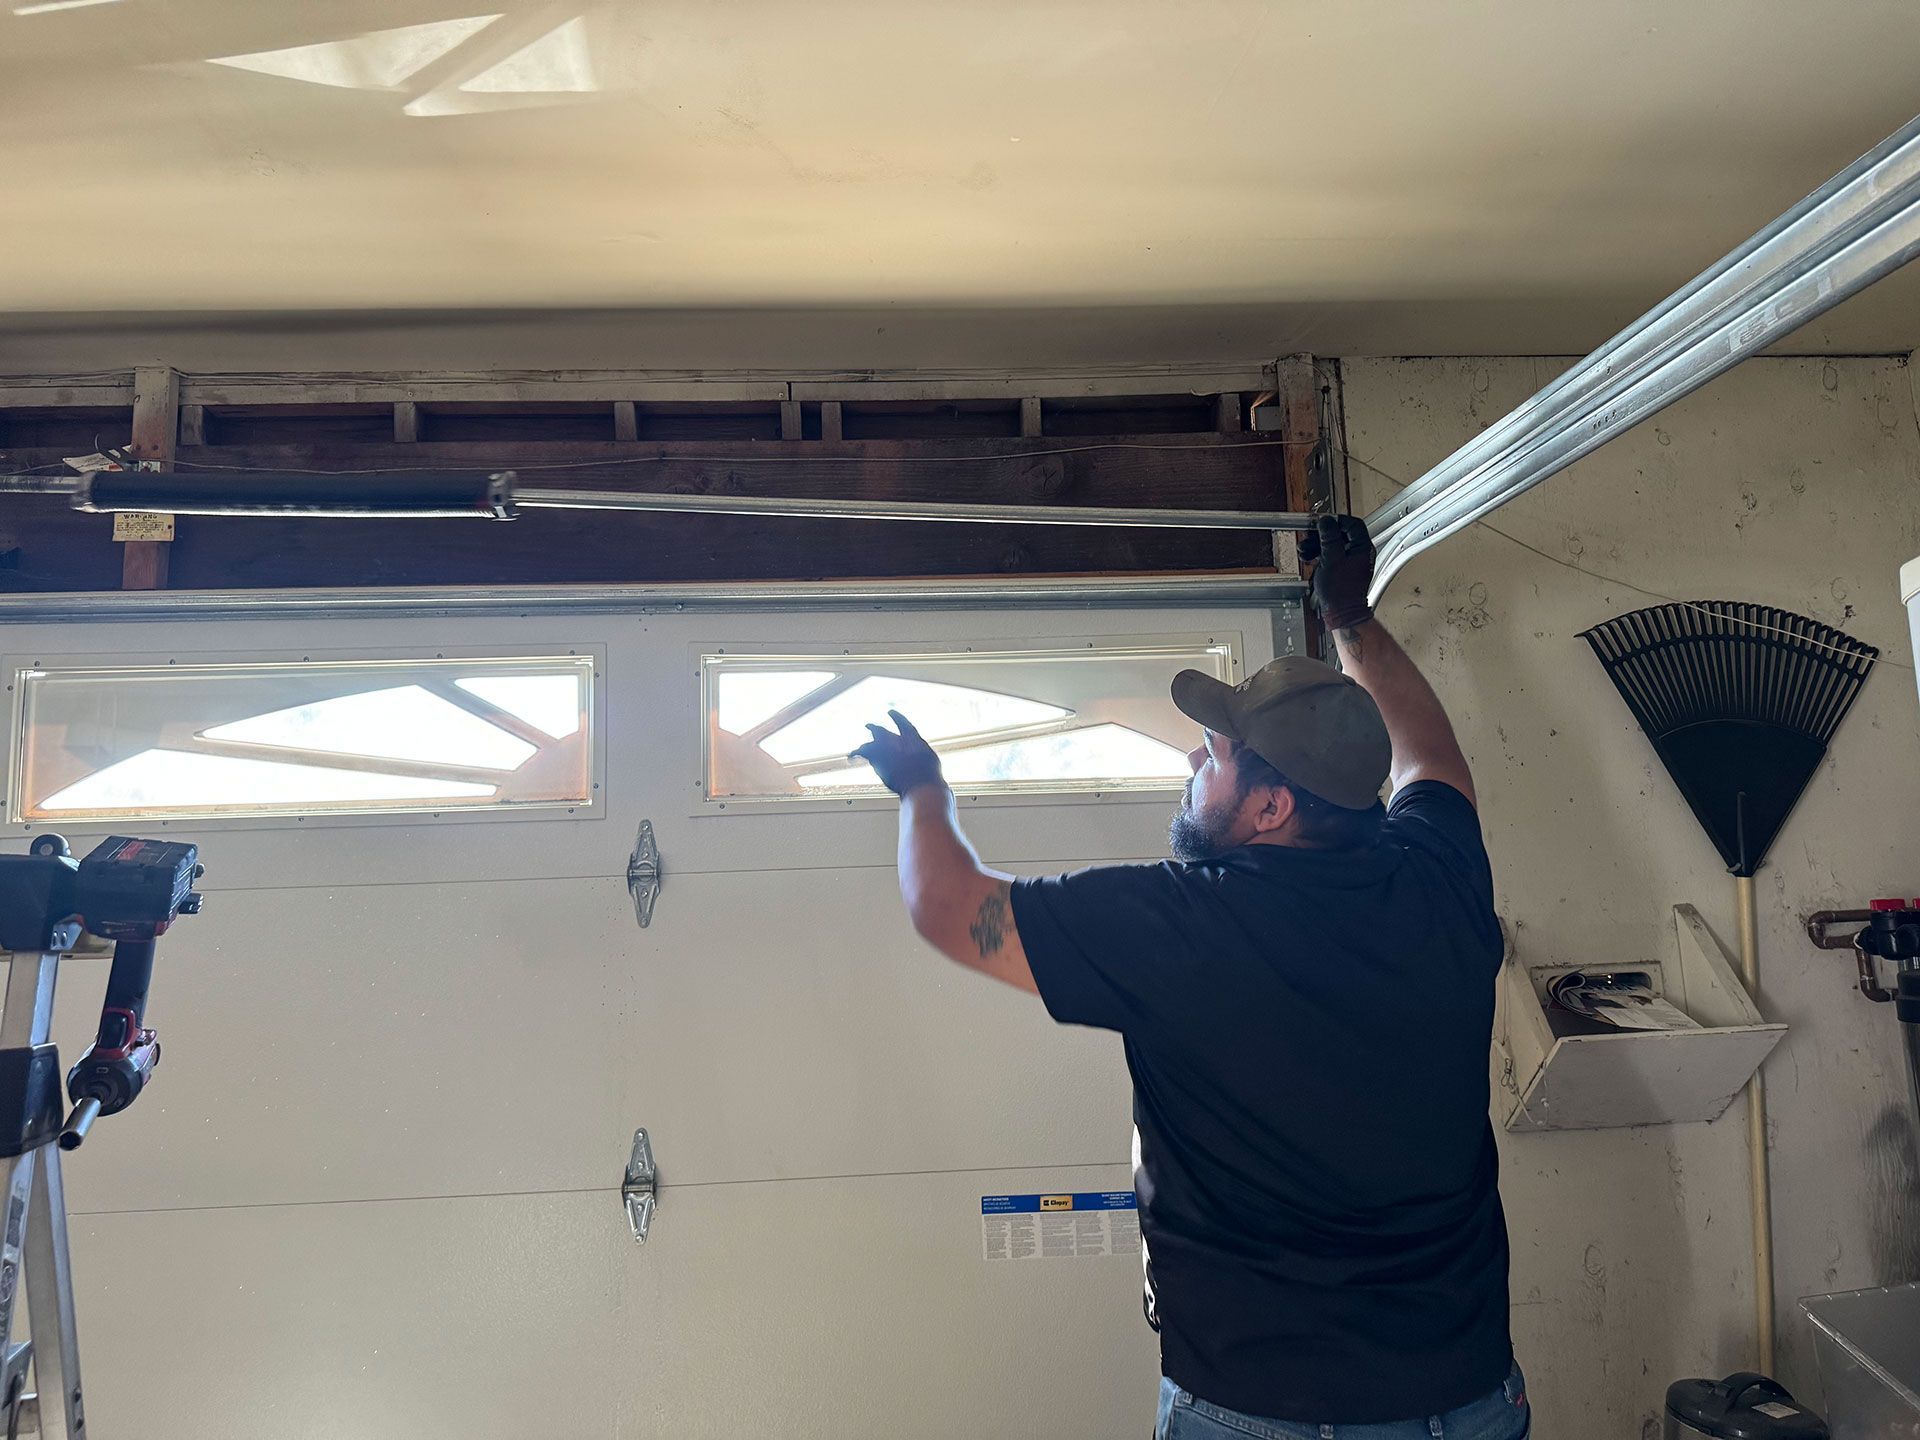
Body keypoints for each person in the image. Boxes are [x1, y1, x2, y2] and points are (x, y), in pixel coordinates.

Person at [852, 516, 1523, 1440]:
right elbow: (1431, 756)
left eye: (1213, 756)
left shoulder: (1183, 923)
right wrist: (1352, 622)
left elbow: (947, 904)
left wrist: (924, 787)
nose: (1190, 762)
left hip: (1263, 1408)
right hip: (1468, 1400)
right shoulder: (1438, 874)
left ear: (1271, 806)